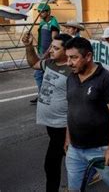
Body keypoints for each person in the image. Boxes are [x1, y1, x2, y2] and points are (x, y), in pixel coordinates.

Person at [64, 37, 109, 191]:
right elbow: (71, 109)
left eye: (74, 58)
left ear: (88, 56)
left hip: (101, 148)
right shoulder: (71, 78)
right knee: (74, 189)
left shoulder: (107, 80)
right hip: (75, 149)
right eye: (68, 57)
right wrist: (68, 138)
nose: (69, 63)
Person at [23, 33, 73, 192]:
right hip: (51, 125)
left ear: (67, 51)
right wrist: (29, 46)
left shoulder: (72, 71)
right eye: (51, 46)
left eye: (56, 48)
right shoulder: (50, 63)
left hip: (62, 126)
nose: (51, 50)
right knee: (70, 159)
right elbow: (34, 63)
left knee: (51, 164)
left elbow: (76, 104)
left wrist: (68, 134)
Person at [32, 3, 60, 104]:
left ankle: (42, 95)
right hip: (41, 52)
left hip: (47, 54)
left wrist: (47, 53)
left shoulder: (53, 23)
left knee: (38, 74)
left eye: (42, 11)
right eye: (39, 11)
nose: (40, 13)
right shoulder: (42, 22)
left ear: (48, 12)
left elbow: (54, 41)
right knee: (44, 75)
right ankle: (43, 94)